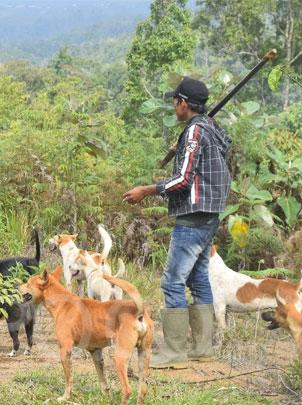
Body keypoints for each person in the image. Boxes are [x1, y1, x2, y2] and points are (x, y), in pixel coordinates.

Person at [123, 77, 231, 369]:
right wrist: (184, 145)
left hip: (194, 215)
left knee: (172, 281)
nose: (174, 106)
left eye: (175, 102)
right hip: (210, 213)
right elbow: (212, 155)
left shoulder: (195, 131)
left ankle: (174, 352)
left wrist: (146, 190)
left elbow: (183, 180)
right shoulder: (210, 127)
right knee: (197, 279)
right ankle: (202, 348)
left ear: (184, 103)